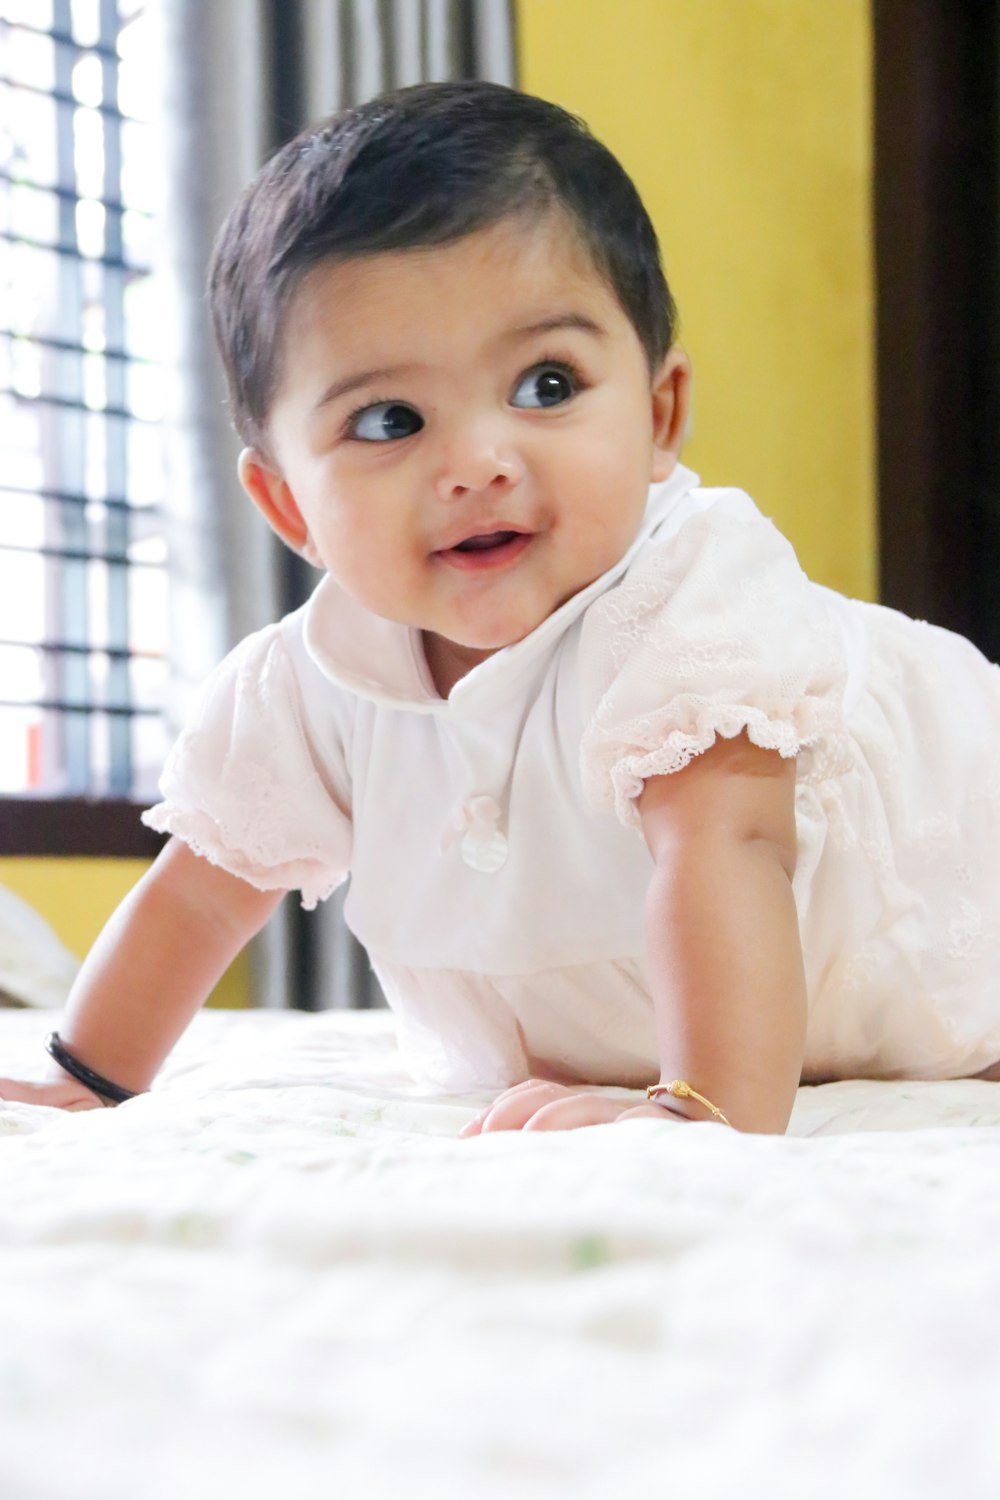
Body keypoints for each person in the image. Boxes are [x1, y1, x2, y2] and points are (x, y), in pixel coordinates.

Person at [4, 81, 1000, 1134]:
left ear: (660, 414)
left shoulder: (694, 603)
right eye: (390, 419)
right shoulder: (305, 685)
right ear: (288, 502)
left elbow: (732, 849)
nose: (478, 463)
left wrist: (703, 1114)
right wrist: (90, 1076)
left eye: (547, 386)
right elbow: (200, 895)